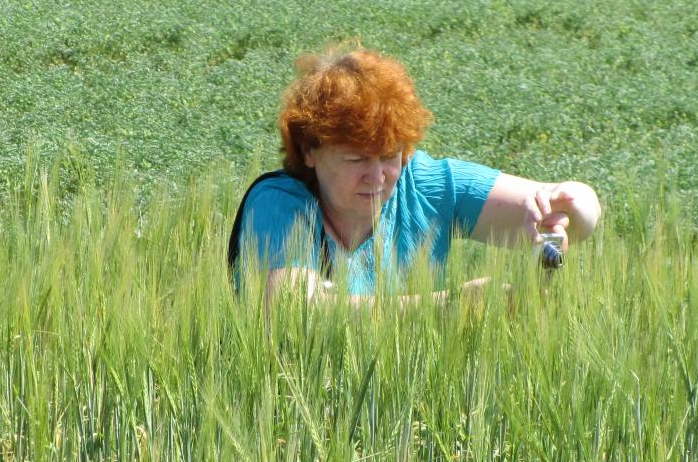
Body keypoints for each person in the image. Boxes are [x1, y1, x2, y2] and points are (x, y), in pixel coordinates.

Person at [230, 46, 601, 304]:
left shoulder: (426, 184)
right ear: (309, 150)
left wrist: (567, 202)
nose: (377, 177)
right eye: (356, 159)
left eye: (390, 156)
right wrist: (446, 307)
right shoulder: (279, 203)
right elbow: (293, 313)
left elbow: (580, 215)